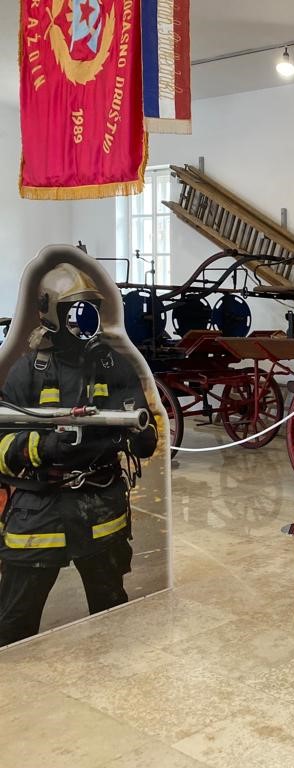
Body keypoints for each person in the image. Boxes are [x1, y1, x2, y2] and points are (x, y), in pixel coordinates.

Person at [0, 264, 157, 645]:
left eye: (89, 311)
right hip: (40, 514)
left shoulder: (112, 366)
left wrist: (140, 435)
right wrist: (42, 448)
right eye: (73, 311)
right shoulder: (27, 372)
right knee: (13, 626)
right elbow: (2, 447)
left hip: (101, 508)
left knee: (112, 616)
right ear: (52, 313)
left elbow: (146, 434)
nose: (83, 322)